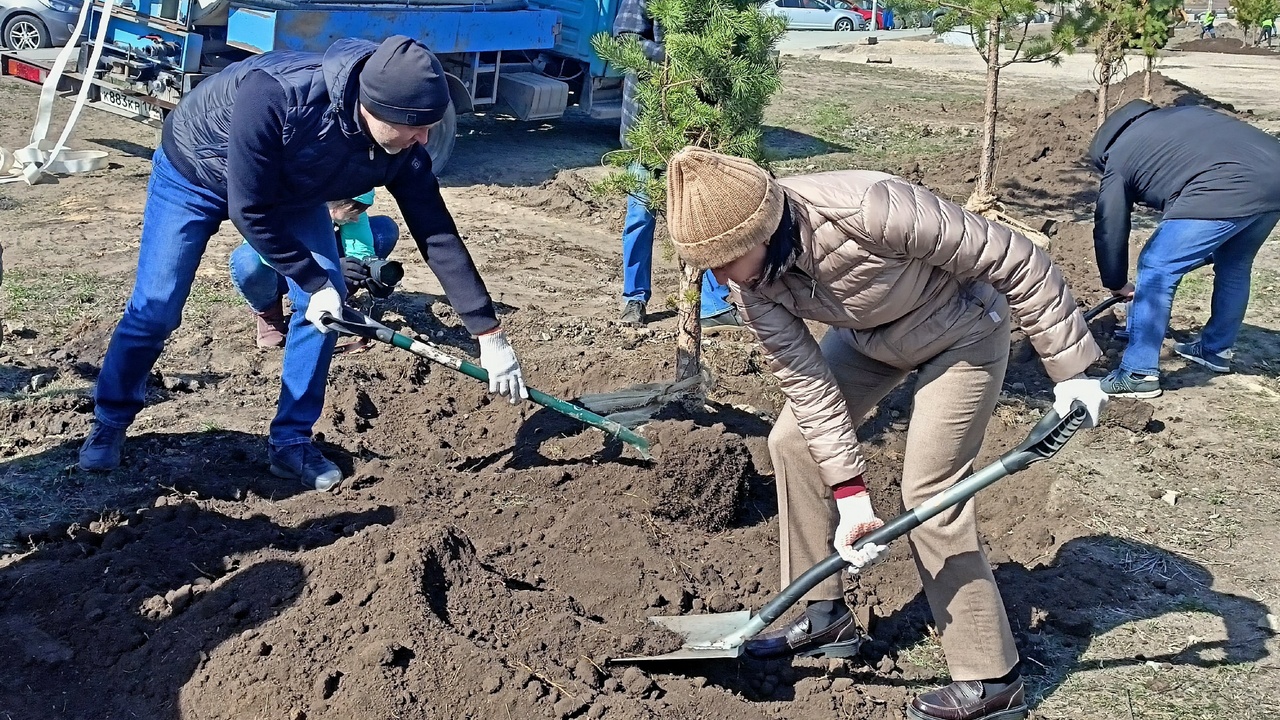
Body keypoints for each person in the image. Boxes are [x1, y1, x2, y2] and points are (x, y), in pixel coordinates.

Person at [664, 146, 1107, 720]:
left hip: (963, 329)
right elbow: (806, 382)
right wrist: (850, 497)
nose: (722, 278)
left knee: (930, 492)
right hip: (871, 339)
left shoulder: (871, 209)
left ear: (765, 226)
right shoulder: (754, 287)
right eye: (711, 265)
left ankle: (991, 681)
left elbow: (1015, 257)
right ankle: (820, 613)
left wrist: (1073, 373)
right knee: (792, 441)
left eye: (728, 260)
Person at [78, 35, 528, 491]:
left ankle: (291, 442)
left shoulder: (402, 148)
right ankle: (111, 420)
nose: (424, 139)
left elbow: (436, 232)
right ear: (375, 108)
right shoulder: (277, 94)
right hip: (195, 171)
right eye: (415, 127)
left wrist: (487, 332)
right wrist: (314, 281)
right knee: (157, 305)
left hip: (294, 189)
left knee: (324, 311)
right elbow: (249, 208)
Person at [1090, 99, 1280, 398]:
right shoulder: (1185, 115)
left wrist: (1115, 282)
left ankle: (1138, 372)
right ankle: (1215, 350)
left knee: (1156, 266)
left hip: (1225, 185)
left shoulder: (1119, 157)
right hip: (1275, 177)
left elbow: (1109, 224)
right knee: (1234, 264)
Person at [612, 0, 741, 331]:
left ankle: (711, 301)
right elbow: (627, 41)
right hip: (649, 127)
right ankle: (634, 298)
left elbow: (732, 44)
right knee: (641, 218)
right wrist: (679, 58)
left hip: (696, 130)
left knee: (703, 219)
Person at [229, 189, 401, 348]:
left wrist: (366, 273)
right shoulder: (289, 202)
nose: (356, 218)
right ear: (334, 201)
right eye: (353, 211)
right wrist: (326, 268)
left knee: (384, 230)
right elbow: (268, 250)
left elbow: (361, 249)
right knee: (246, 262)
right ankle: (270, 316)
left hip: (323, 256)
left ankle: (335, 300)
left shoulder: (351, 204)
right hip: (277, 267)